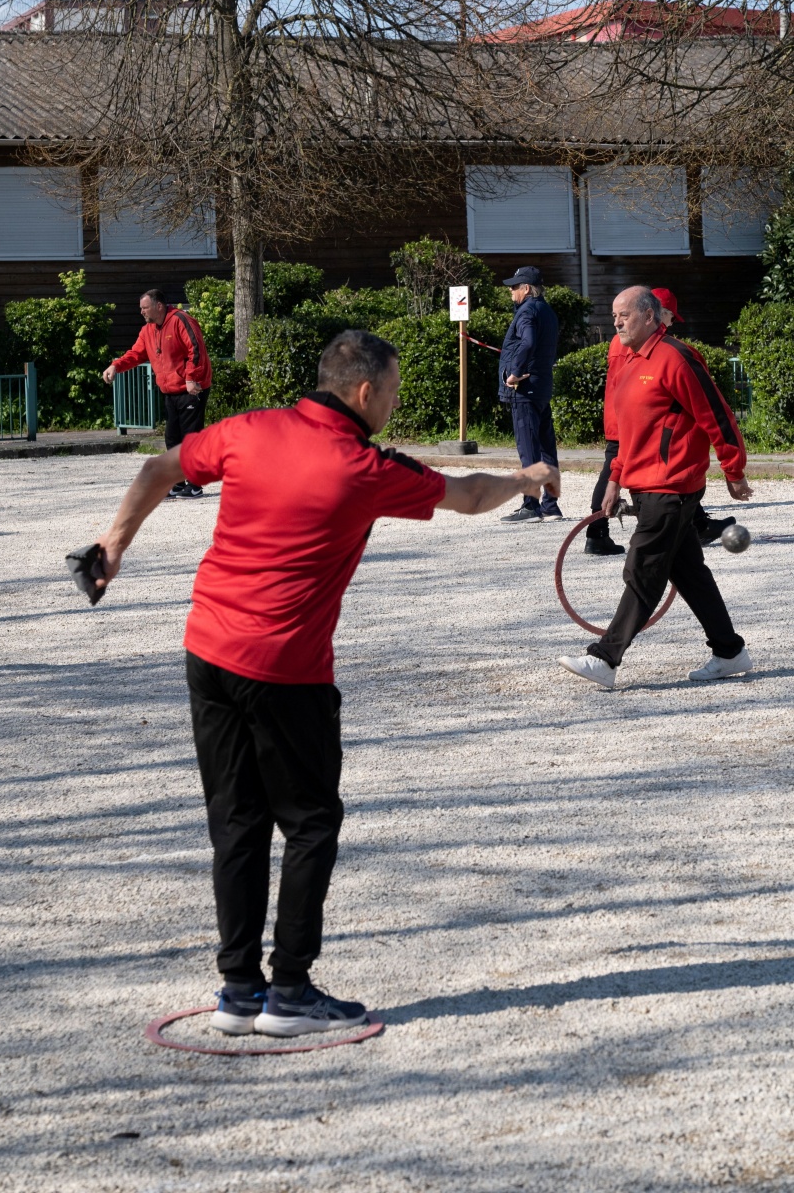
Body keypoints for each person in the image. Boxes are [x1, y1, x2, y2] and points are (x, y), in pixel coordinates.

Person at [91, 329, 560, 1037]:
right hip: (285, 669)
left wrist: (113, 546)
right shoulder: (361, 467)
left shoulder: (249, 430)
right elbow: (465, 496)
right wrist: (527, 479)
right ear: (365, 393)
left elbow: (159, 469)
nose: (395, 404)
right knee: (310, 823)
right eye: (394, 393)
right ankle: (290, 993)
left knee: (238, 823)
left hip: (208, 651)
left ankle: (238, 991)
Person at [558, 287, 752, 689]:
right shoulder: (629, 360)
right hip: (644, 484)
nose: (616, 322)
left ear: (650, 316)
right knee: (689, 572)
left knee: (643, 568)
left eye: (624, 314)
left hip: (673, 485)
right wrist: (615, 477)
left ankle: (606, 658)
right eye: (614, 315)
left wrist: (734, 468)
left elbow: (717, 414)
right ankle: (730, 651)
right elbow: (631, 432)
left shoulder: (676, 358)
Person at [585, 287, 736, 555]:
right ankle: (597, 531)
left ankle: (696, 525)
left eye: (622, 315)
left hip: (635, 431)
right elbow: (713, 414)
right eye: (671, 316)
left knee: (688, 571)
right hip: (630, 425)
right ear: (653, 314)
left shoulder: (657, 349)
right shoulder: (637, 346)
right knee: (643, 571)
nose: (671, 322)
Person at [103, 289, 212, 499]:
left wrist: (191, 377)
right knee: (172, 438)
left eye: (145, 308)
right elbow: (136, 354)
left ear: (158, 306)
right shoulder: (148, 330)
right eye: (141, 308)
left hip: (191, 388)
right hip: (170, 390)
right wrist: (115, 365)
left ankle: (195, 485)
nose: (142, 312)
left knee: (190, 438)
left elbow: (196, 349)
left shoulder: (181, 320)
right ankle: (178, 482)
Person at [497, 266, 563, 522]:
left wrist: (514, 372)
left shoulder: (527, 311)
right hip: (542, 386)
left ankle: (531, 506)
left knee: (528, 448)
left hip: (524, 389)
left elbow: (528, 342)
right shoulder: (547, 311)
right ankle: (551, 505)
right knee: (547, 447)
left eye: (514, 286)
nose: (511, 291)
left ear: (526, 288)